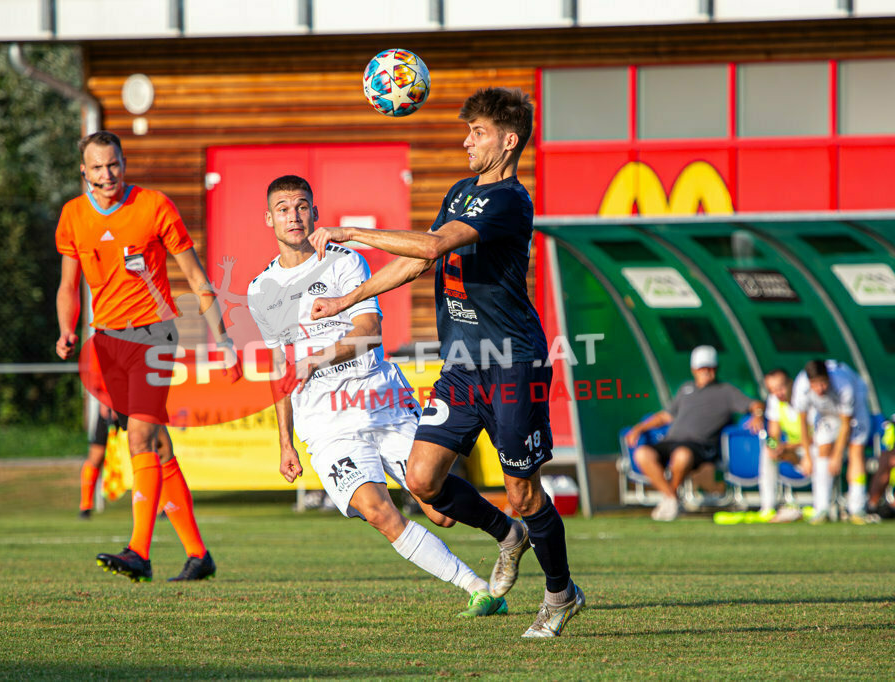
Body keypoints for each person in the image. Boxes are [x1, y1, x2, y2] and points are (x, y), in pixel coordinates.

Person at [307, 88, 583, 638]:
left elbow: (432, 246)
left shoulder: (509, 200)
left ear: (508, 141)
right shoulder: (460, 191)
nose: (466, 141)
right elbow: (418, 262)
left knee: (524, 491)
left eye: (477, 132)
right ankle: (508, 535)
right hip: (461, 366)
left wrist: (352, 231)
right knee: (423, 480)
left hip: (511, 362)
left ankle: (560, 593)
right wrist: (344, 301)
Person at [249, 175, 507, 618]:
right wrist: (284, 442)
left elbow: (369, 334)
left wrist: (316, 359)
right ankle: (478, 588)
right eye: (284, 207)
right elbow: (279, 371)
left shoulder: (344, 261)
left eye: (302, 205)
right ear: (269, 218)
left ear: (314, 211)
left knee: (440, 509)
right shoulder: (261, 290)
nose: (294, 215)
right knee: (378, 511)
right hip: (326, 422)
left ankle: (509, 532)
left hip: (380, 400)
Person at [55, 131, 241, 581]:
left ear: (124, 163)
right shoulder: (73, 215)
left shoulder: (154, 206)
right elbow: (68, 285)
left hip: (154, 336)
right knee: (156, 442)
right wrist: (67, 329)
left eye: (113, 164)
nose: (107, 175)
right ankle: (198, 555)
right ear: (84, 171)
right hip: (107, 342)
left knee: (138, 435)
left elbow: (196, 277)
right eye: (97, 167)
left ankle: (139, 551)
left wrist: (223, 338)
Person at [625, 346, 764, 522]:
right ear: (694, 370)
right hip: (671, 441)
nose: (707, 372)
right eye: (702, 368)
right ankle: (671, 498)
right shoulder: (685, 389)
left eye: (710, 368)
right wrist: (639, 428)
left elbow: (755, 404)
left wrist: (757, 415)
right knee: (642, 453)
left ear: (716, 368)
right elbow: (665, 416)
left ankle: (670, 500)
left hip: (700, 445)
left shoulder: (726, 391)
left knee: (681, 455)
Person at [791, 359, 873, 525]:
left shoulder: (844, 386)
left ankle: (857, 509)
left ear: (828, 378)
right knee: (822, 450)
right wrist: (807, 456)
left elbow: (845, 424)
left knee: (856, 451)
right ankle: (822, 508)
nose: (819, 389)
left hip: (855, 412)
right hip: (825, 413)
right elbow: (803, 424)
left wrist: (837, 456)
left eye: (822, 383)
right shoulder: (801, 387)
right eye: (815, 384)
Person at [758, 368, 807, 523]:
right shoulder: (774, 401)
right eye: (772, 390)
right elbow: (773, 435)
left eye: (780, 388)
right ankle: (767, 507)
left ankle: (822, 506)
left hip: (813, 449)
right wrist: (774, 446)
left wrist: (786, 447)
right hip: (794, 451)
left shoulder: (805, 398)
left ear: (790, 384)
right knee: (767, 454)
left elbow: (814, 438)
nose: (777, 393)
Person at [79, 403, 114, 520]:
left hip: (134, 406)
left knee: (148, 452)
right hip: (110, 407)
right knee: (96, 456)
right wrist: (106, 401)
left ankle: (163, 506)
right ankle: (85, 506)